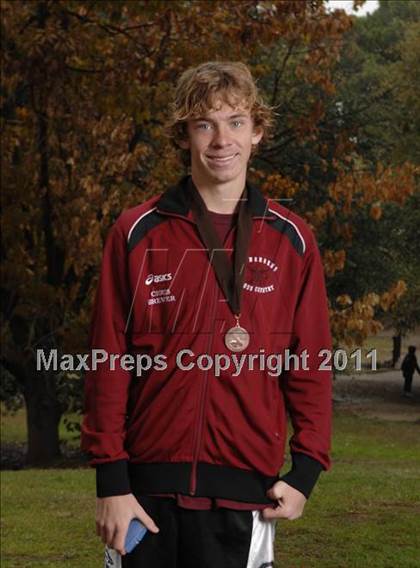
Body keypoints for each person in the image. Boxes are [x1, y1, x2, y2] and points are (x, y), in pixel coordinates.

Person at [80, 61, 333, 568]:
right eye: (204, 124)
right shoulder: (136, 232)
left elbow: (311, 363)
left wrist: (305, 470)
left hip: (246, 493)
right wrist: (111, 480)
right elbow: (108, 359)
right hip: (143, 496)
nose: (222, 140)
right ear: (184, 135)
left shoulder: (293, 239)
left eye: (236, 121)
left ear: (257, 132)